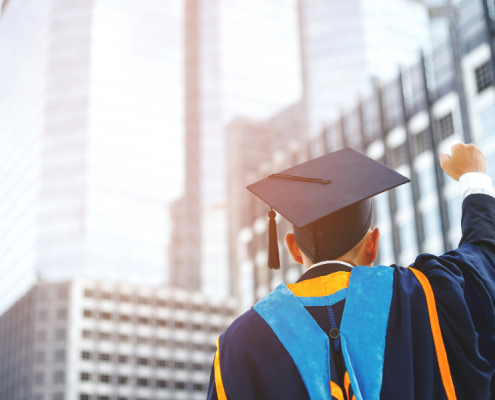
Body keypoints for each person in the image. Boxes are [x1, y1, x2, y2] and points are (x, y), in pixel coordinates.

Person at [207, 143, 495, 400]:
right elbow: (484, 263)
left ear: (293, 248)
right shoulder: (424, 294)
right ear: (373, 244)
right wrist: (474, 178)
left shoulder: (237, 345)